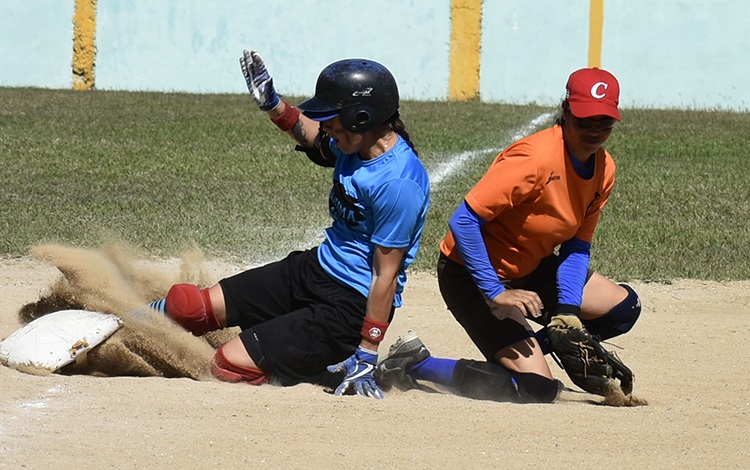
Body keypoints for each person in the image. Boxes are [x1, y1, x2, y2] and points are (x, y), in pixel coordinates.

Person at [149, 50, 430, 400]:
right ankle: (122, 324)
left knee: (228, 363)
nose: (326, 125)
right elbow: (311, 135)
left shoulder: (398, 183)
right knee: (187, 306)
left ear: (361, 118)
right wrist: (273, 104)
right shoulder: (355, 145)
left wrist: (368, 351)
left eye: (332, 118)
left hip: (347, 308)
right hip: (313, 270)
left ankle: (324, 359)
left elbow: (384, 276)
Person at [375, 67, 641, 403]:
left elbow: (577, 247)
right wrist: (495, 291)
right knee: (536, 388)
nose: (593, 130)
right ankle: (414, 364)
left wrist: (568, 313)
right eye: (584, 120)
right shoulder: (534, 159)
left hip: (531, 269)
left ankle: (536, 348)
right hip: (472, 275)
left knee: (624, 308)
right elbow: (464, 221)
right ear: (565, 112)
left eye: (603, 122)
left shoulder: (604, 169)